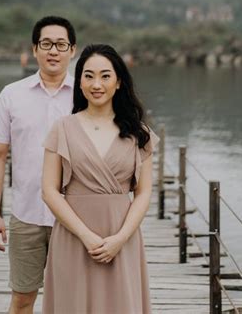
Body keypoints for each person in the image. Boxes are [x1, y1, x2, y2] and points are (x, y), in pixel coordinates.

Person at [42, 44, 158, 314]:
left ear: (118, 82)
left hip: (122, 235)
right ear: (79, 81)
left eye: (105, 76)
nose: (97, 84)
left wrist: (120, 238)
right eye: (89, 75)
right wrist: (86, 235)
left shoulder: (139, 133)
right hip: (73, 237)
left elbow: (143, 193)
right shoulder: (62, 128)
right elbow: (49, 191)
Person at [0, 15, 77, 314]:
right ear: (35, 49)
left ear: (72, 51)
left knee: (71, 302)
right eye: (46, 44)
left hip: (75, 218)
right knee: (23, 299)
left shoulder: (86, 95)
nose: (53, 51)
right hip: (26, 216)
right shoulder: (12, 95)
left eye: (60, 44)